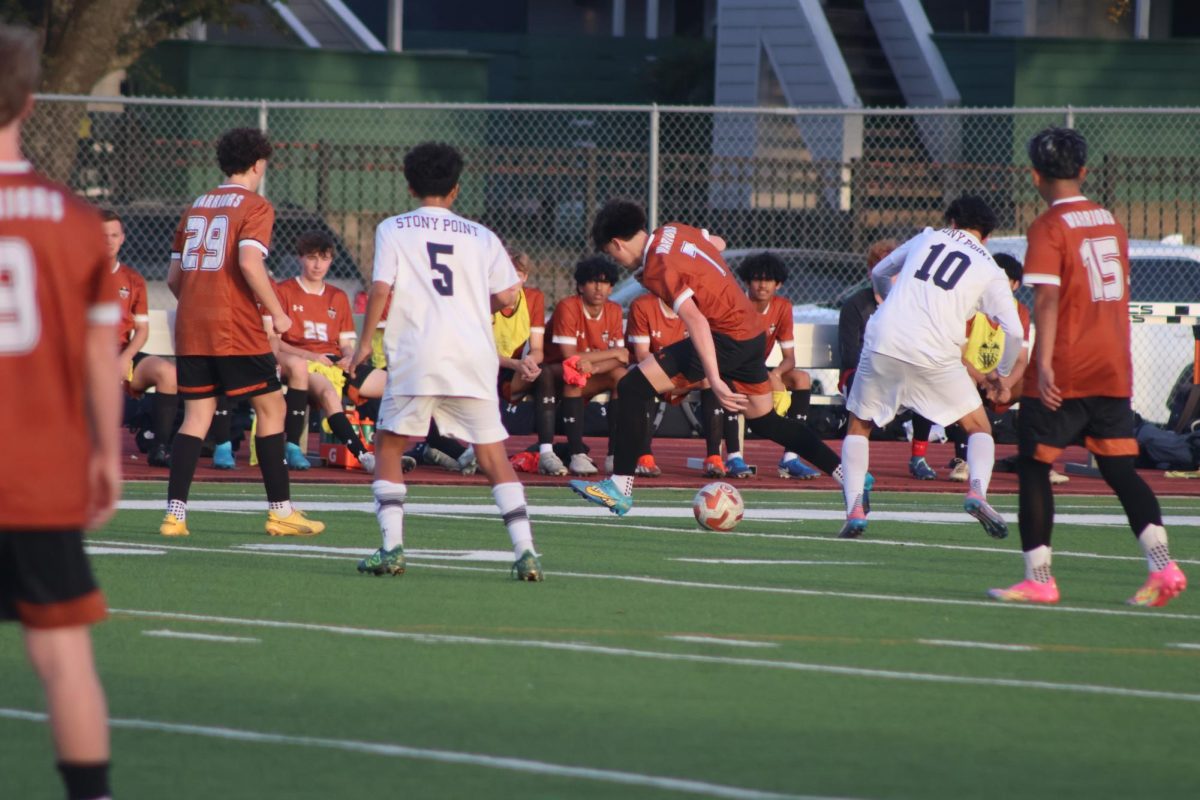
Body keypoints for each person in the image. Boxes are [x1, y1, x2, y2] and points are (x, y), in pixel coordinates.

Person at [987, 127, 1186, 606]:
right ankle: (1163, 566)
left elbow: (1048, 299)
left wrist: (1046, 366)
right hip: (1113, 365)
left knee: (1034, 466)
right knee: (1121, 469)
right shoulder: (1112, 222)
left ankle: (1039, 577)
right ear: (1083, 171)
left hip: (1067, 366)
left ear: (1034, 175)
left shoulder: (1047, 227)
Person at [571, 201, 859, 517]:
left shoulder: (658, 266)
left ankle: (620, 487)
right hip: (751, 333)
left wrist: (717, 380)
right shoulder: (673, 230)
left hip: (724, 337)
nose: (619, 262)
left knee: (633, 387)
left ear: (617, 243)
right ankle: (850, 477)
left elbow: (696, 321)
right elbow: (716, 244)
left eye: (614, 256)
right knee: (766, 421)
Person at [0, 24, 116, 800]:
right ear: (32, 101)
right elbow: (100, 357)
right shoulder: (75, 221)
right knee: (63, 651)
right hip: (38, 469)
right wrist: (107, 453)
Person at [349, 141, 542, 581]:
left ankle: (392, 547)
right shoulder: (482, 235)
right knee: (494, 457)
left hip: (420, 353)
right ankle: (526, 551)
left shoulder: (393, 228)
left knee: (389, 445)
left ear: (410, 184)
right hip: (474, 355)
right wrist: (474, 307)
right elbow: (510, 293)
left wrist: (364, 344)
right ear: (456, 189)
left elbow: (381, 288)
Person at [160, 127, 324, 538]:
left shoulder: (196, 206)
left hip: (192, 324)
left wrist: (201, 300)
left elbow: (174, 278)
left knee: (195, 416)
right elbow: (250, 264)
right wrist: (277, 314)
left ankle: (175, 515)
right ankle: (280, 511)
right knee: (272, 409)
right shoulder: (256, 206)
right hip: (234, 327)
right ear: (258, 163)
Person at [839, 196, 1023, 540]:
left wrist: (888, 302)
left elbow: (880, 272)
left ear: (951, 221)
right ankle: (977, 492)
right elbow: (1015, 331)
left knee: (859, 425)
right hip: (938, 353)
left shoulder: (927, 236)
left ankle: (854, 508)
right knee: (978, 426)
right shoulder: (990, 269)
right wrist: (1002, 374)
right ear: (985, 236)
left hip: (886, 341)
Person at [942, 253, 1068, 484]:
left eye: (1002, 280)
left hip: (999, 380)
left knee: (1039, 387)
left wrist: (1005, 384)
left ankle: (1038, 461)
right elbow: (957, 357)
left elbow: (1021, 359)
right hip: (972, 376)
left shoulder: (1020, 312)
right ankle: (963, 460)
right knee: (961, 382)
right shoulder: (970, 307)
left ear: (1015, 284)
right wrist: (982, 379)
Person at [270, 230, 375, 472]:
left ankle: (414, 448)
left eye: (324, 258)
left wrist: (349, 357)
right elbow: (275, 343)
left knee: (392, 384)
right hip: (301, 362)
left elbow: (345, 343)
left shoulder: (337, 296)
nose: (318, 265)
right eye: (312, 258)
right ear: (300, 258)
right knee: (328, 394)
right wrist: (311, 356)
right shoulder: (284, 291)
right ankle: (364, 456)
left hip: (335, 363)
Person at [838, 239, 941, 480]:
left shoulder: (913, 306)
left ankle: (918, 457)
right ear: (872, 272)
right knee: (859, 387)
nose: (891, 276)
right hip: (862, 372)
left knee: (925, 383)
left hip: (900, 372)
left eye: (896, 271)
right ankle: (855, 463)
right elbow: (850, 354)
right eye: (884, 270)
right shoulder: (855, 305)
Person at [103, 208, 178, 467]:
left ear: (123, 238)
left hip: (124, 356)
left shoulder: (132, 279)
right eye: (103, 235)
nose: (109, 241)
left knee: (167, 373)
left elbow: (142, 330)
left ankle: (159, 447)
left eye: (114, 235)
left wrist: (125, 357)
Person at [735, 252, 820, 480]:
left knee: (801, 378)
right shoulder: (736, 302)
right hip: (734, 369)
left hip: (760, 370)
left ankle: (791, 457)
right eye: (757, 279)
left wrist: (776, 373)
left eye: (769, 279)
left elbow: (789, 358)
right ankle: (733, 456)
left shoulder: (782, 307)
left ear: (778, 284)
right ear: (746, 281)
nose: (763, 285)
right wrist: (766, 376)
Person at [543, 257, 629, 476]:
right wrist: (611, 354)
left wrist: (596, 367)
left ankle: (615, 454)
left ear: (611, 287)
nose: (599, 287)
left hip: (589, 370)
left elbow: (622, 359)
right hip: (552, 373)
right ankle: (576, 454)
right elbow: (569, 356)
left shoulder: (614, 310)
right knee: (575, 373)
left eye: (605, 282)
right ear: (581, 286)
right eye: (592, 282)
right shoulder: (568, 306)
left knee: (621, 376)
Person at [624, 291, 690, 476]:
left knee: (714, 382)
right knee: (643, 380)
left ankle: (719, 458)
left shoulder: (694, 305)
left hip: (682, 373)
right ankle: (645, 456)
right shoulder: (643, 305)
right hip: (652, 369)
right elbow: (642, 355)